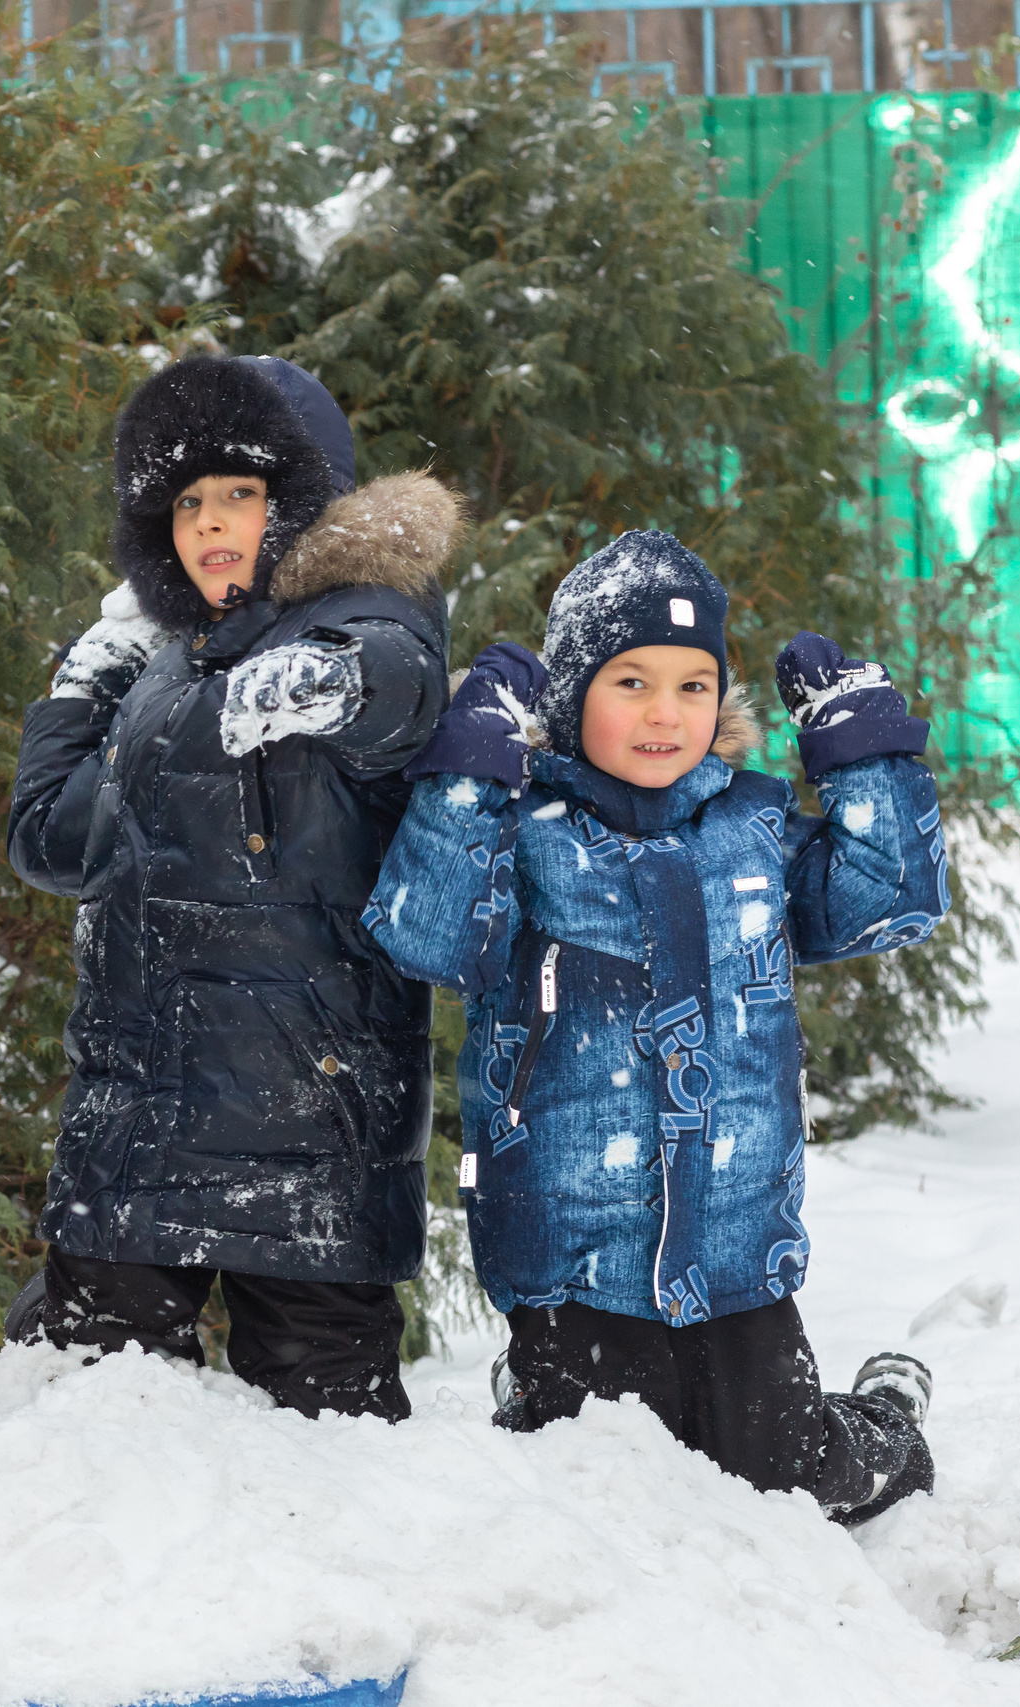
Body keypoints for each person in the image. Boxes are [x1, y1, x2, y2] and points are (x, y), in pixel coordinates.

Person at [366, 528, 945, 1523]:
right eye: (629, 682)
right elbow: (421, 934)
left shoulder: (754, 829)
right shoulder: (523, 835)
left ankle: (885, 1419)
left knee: (784, 1477)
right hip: (575, 1258)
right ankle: (531, 1394)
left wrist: (864, 759)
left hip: (737, 1248)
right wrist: (465, 780)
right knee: (599, 1495)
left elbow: (890, 899)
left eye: (691, 685)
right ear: (569, 698)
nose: (664, 713)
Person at [5, 354, 457, 1421]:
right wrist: (88, 680)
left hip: (308, 1135)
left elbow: (401, 685)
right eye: (186, 501)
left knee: (330, 1438)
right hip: (137, 1126)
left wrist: (325, 676)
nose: (209, 522)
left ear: (301, 503)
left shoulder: (363, 623)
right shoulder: (163, 671)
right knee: (87, 1423)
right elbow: (49, 842)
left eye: (241, 496)